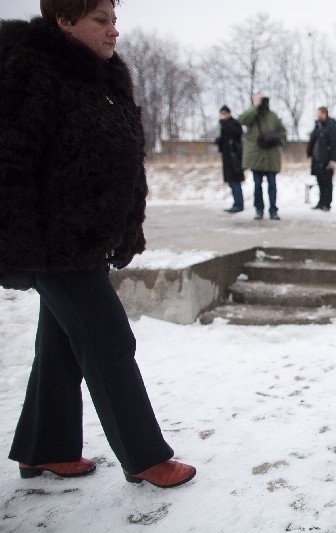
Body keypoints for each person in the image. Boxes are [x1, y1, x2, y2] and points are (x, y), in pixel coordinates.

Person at [0, 0, 196, 489]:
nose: (115, 31)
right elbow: (10, 164)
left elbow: (118, 158)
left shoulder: (103, 75)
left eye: (114, 19)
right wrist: (18, 248)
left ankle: (45, 449)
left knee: (61, 345)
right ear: (64, 21)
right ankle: (145, 456)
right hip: (56, 245)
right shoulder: (33, 71)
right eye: (101, 21)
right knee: (110, 342)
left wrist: (126, 226)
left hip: (86, 241)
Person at [238, 93, 287, 220]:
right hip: (256, 156)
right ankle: (259, 210)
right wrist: (254, 107)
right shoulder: (252, 116)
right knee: (257, 184)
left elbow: (282, 131)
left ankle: (273, 210)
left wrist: (278, 140)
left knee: (272, 185)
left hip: (271, 156)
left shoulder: (273, 116)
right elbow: (242, 120)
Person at [306, 106, 336, 211]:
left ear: (324, 114)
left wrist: (333, 160)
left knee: (327, 182)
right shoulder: (317, 126)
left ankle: (327, 204)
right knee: (320, 181)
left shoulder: (331, 126)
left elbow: (334, 144)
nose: (317, 115)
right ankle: (320, 203)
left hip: (327, 159)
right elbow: (313, 140)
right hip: (317, 159)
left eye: (319, 113)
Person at [215, 105, 245, 213]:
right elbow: (224, 139)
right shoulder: (224, 125)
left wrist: (225, 126)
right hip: (227, 158)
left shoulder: (233, 123)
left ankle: (239, 204)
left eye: (224, 114)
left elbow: (237, 134)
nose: (222, 116)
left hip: (234, 158)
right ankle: (236, 203)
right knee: (231, 182)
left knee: (235, 181)